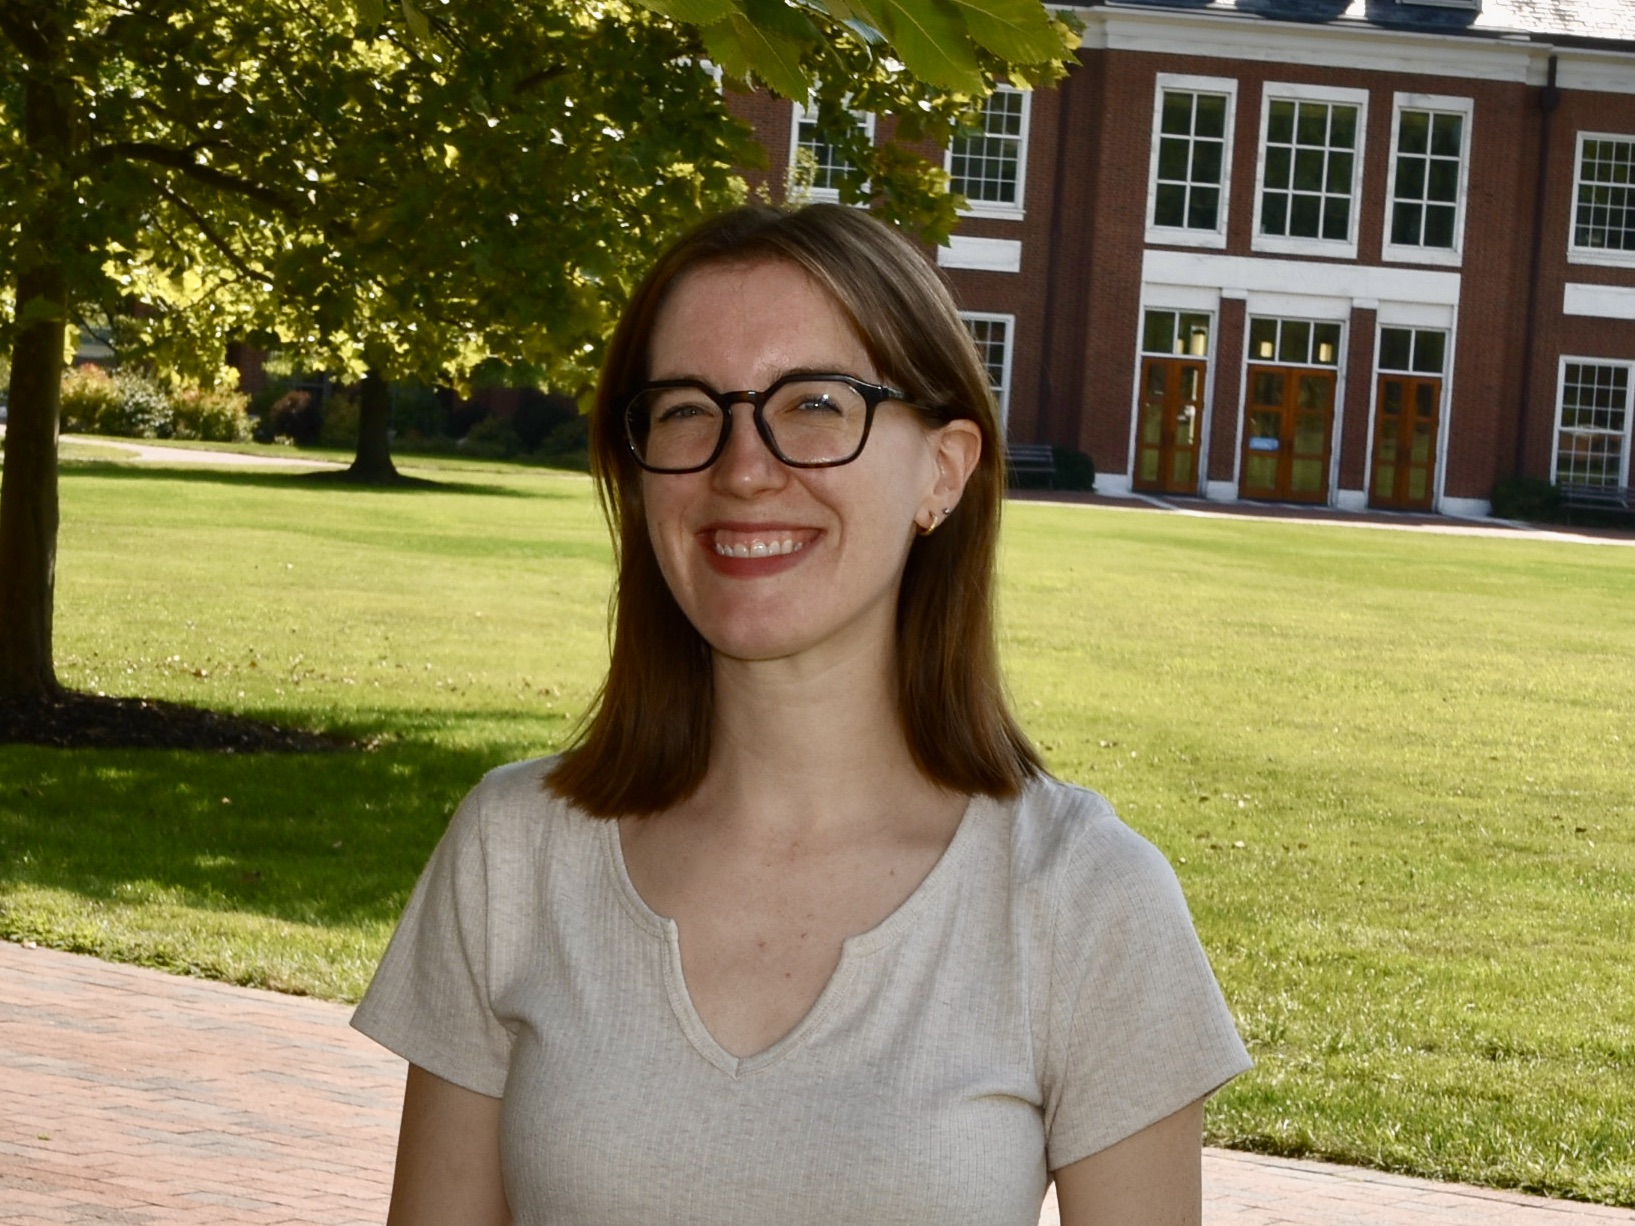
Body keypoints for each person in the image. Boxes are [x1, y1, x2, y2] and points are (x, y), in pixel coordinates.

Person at [351, 203, 1251, 1226]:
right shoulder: (514, 854)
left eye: (817, 403)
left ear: (943, 471)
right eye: (688, 408)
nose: (741, 467)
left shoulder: (1081, 895)